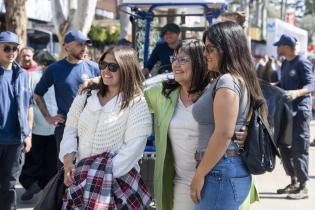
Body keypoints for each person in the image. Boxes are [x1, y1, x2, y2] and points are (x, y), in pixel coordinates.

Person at [144, 39, 256, 210]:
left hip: (214, 178)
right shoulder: (161, 93)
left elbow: (244, 120)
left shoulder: (217, 91)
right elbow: (130, 92)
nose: (176, 64)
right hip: (180, 181)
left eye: (183, 59)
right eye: (174, 58)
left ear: (200, 61)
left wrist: (246, 133)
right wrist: (97, 81)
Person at [59, 46, 152, 208]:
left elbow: (132, 151)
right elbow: (70, 130)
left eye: (113, 67)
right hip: (80, 181)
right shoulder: (86, 96)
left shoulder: (137, 104)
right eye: (102, 65)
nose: (106, 70)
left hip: (119, 185)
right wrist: (68, 162)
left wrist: (95, 176)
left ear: (127, 69)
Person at [190, 21, 267, 210]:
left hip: (219, 170)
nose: (205, 54)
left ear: (227, 49)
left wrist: (200, 174)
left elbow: (223, 133)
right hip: (222, 168)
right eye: (204, 48)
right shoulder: (233, 79)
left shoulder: (227, 81)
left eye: (210, 49)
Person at [34, 30, 99, 169]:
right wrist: (48, 117)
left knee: (90, 171)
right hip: (65, 129)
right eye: (79, 44)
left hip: (92, 128)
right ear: (67, 47)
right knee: (65, 172)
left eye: (86, 44)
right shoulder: (54, 69)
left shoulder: (94, 68)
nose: (84, 48)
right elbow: (37, 93)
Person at [273, 34, 314, 199]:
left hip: (300, 111)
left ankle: (303, 187)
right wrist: (271, 86)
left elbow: (311, 84)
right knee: (284, 146)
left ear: (287, 47)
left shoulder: (302, 62)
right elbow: (283, 85)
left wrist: (298, 93)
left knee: (299, 147)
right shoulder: (285, 63)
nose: (277, 48)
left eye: (279, 46)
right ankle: (294, 181)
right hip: (286, 111)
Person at [0, 31, 33, 210]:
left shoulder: (23, 75)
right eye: (7, 48)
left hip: (15, 141)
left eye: (14, 48)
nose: (11, 52)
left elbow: (29, 105)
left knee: (9, 186)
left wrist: (28, 135)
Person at [19, 50, 58, 201]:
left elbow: (28, 100)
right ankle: (46, 188)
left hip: (37, 124)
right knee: (50, 160)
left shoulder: (33, 76)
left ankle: (31, 183)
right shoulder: (55, 77)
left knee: (34, 159)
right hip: (54, 124)